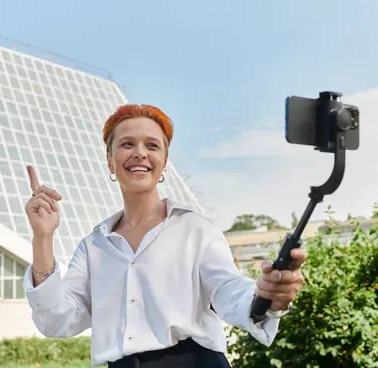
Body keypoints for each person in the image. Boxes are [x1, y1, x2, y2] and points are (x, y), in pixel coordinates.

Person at [22, 104, 307, 368]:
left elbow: (228, 289)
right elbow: (56, 321)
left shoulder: (195, 230)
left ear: (164, 162)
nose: (140, 153)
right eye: (127, 144)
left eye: (152, 145)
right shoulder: (93, 247)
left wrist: (265, 296)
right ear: (110, 161)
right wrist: (42, 237)